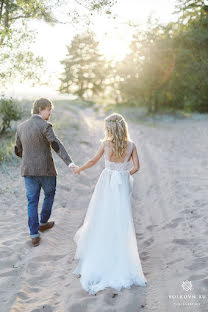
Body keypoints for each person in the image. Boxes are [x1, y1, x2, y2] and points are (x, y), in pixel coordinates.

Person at [73, 112, 147, 295]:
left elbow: (93, 160)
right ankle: (121, 254)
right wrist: (124, 174)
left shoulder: (106, 144)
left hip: (106, 183)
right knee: (121, 218)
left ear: (110, 129)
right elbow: (137, 167)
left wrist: (79, 168)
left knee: (103, 216)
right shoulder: (131, 145)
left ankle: (102, 252)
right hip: (121, 184)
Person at [14, 98, 78, 247]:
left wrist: (28, 158)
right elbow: (56, 145)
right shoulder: (45, 126)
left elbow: (18, 150)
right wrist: (70, 163)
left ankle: (34, 234)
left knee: (32, 201)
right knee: (49, 194)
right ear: (41, 109)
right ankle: (43, 222)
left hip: (28, 171)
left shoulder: (21, 127)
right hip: (46, 171)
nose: (50, 113)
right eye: (49, 110)